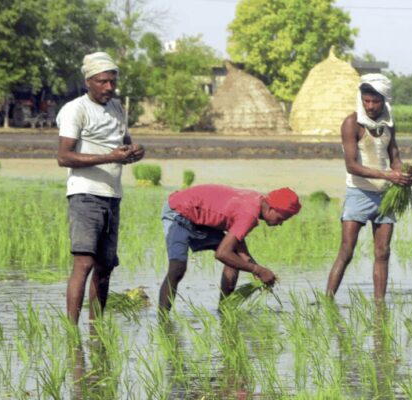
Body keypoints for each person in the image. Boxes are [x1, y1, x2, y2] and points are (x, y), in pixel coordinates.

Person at [56, 52, 145, 325]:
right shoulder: (76, 109)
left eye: (112, 82)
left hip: (112, 195)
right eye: (102, 82)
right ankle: (72, 331)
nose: (109, 87)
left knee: (105, 268)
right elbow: (64, 157)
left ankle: (96, 328)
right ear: (88, 82)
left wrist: (135, 151)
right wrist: (110, 157)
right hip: (85, 194)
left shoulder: (117, 108)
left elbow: (124, 144)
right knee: (83, 264)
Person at [325, 74, 412, 301]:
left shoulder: (388, 125)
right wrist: (388, 174)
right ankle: (327, 300)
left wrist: (403, 173)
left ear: (384, 100)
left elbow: (394, 156)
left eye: (375, 101)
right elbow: (352, 166)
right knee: (346, 251)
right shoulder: (351, 123)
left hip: (385, 195)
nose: (371, 106)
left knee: (383, 252)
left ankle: (379, 306)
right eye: (366, 101)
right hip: (359, 192)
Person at [158, 184, 301, 312]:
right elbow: (222, 254)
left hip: (199, 216)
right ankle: (162, 322)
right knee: (177, 268)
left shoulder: (255, 201)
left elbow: (239, 248)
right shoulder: (249, 214)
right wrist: (258, 269)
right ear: (271, 208)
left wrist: (257, 270)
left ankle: (224, 310)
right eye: (281, 218)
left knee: (234, 258)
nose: (280, 223)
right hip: (179, 211)